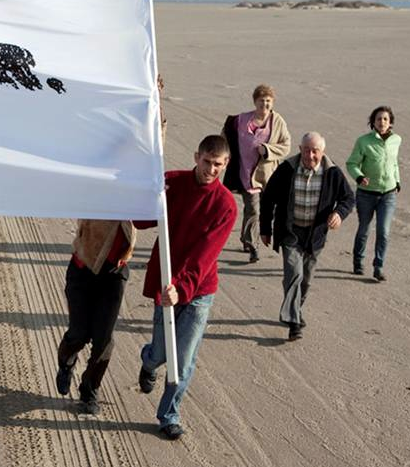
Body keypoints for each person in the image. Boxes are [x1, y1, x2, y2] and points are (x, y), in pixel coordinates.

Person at [136, 135, 237, 441]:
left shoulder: (226, 206)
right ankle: (149, 361)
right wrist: (150, 196)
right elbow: (140, 223)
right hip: (165, 280)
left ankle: (169, 415)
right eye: (206, 161)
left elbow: (205, 254)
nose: (210, 169)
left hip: (198, 290)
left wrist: (183, 287)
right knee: (161, 352)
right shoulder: (172, 183)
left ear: (226, 164)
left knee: (184, 358)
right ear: (196, 156)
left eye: (217, 164)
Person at [260, 132, 355, 341]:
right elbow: (268, 199)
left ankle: (295, 309)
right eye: (306, 150)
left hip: (315, 235)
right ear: (300, 149)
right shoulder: (287, 169)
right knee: (294, 273)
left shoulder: (332, 173)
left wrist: (339, 214)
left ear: (322, 152)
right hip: (290, 231)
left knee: (306, 279)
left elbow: (348, 197)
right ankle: (294, 324)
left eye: (315, 151)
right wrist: (265, 229)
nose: (310, 155)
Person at [54, 220, 135, 414]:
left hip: (114, 273)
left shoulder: (135, 193)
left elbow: (146, 219)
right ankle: (66, 363)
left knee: (104, 340)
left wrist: (159, 192)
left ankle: (90, 391)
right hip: (83, 268)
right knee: (79, 333)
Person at [221, 84, 291, 263]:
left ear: (272, 103)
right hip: (243, 173)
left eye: (268, 101)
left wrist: (267, 150)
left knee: (263, 210)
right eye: (261, 101)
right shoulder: (241, 120)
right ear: (255, 102)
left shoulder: (277, 122)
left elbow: (286, 146)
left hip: (267, 176)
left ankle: (246, 238)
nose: (265, 104)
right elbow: (225, 136)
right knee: (253, 209)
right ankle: (253, 245)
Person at [345, 106, 401, 282]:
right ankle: (358, 261)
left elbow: (394, 163)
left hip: (388, 194)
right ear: (373, 122)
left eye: (385, 119)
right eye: (378, 119)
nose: (382, 122)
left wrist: (397, 181)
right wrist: (359, 177)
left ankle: (378, 266)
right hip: (367, 194)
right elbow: (351, 163)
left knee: (383, 231)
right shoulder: (363, 141)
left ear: (390, 122)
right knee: (364, 229)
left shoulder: (396, 140)